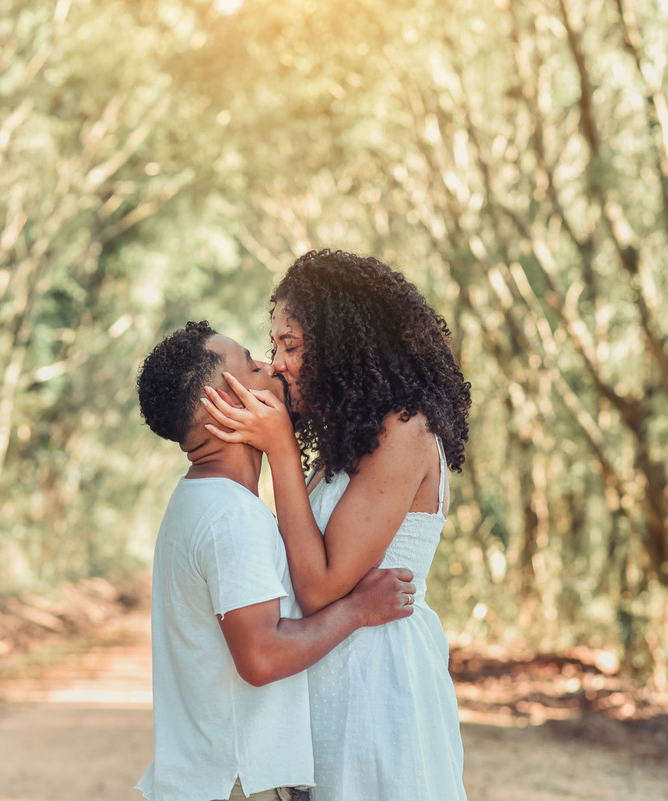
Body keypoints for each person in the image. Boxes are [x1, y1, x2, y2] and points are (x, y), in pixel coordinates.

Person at [201, 250, 473, 801]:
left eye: (291, 345)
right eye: (274, 346)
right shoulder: (352, 439)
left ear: (344, 344)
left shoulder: (405, 430)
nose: (276, 363)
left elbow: (321, 585)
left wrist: (279, 448)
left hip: (378, 686)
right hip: (336, 678)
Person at [134, 320, 417, 801]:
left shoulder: (199, 500)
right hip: (238, 784)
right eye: (252, 363)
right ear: (225, 402)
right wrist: (358, 610)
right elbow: (261, 657)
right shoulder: (231, 516)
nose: (271, 366)